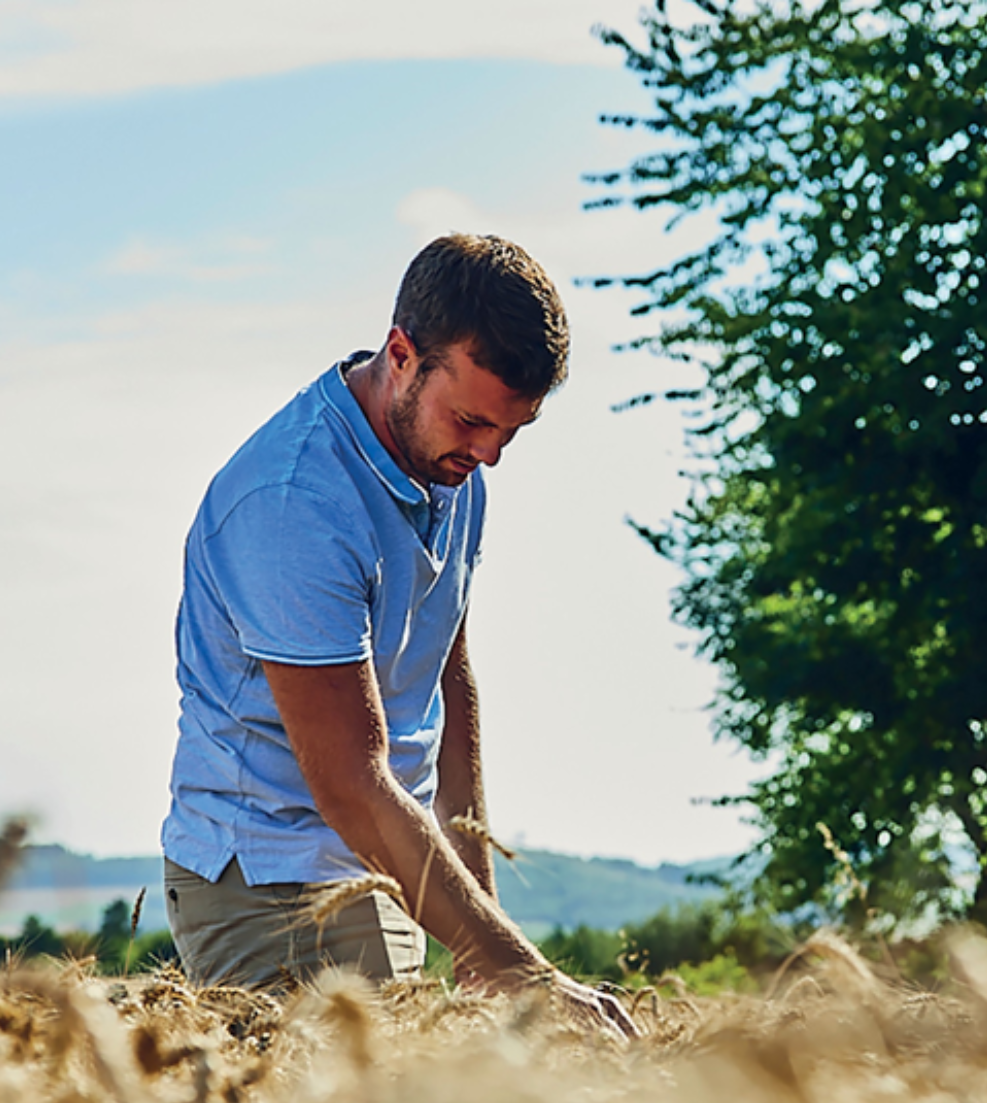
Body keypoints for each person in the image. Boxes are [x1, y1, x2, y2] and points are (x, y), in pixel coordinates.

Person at [161, 233, 637, 1038]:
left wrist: (482, 938)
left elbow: (446, 681)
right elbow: (349, 775)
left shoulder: (451, 468)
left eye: (511, 433)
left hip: (391, 870)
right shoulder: (294, 503)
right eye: (474, 421)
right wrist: (520, 967)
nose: (489, 454)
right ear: (401, 353)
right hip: (263, 884)